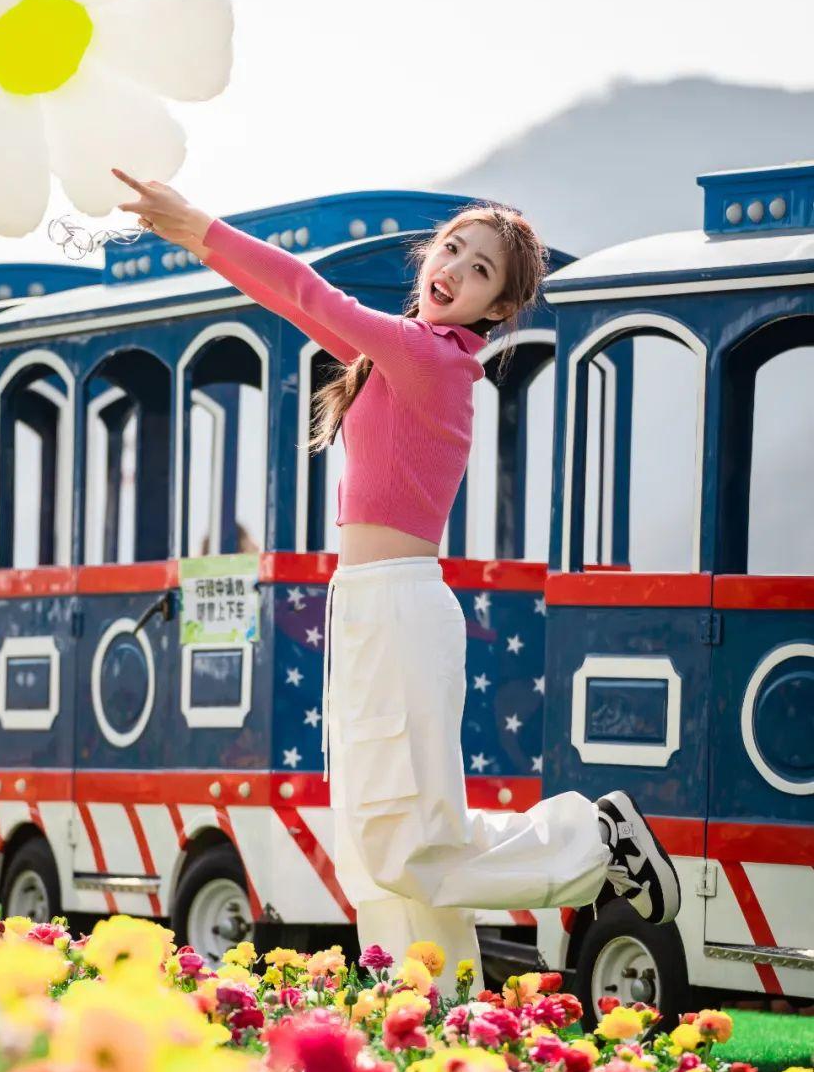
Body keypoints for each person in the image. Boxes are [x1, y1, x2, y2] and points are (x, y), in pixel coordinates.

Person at [110, 167, 681, 978]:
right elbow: (294, 304)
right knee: (374, 845)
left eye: (480, 269)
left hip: (399, 609)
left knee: (405, 843)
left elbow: (308, 294)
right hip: (369, 607)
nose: (453, 269)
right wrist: (197, 242)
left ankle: (592, 841)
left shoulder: (428, 358)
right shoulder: (401, 357)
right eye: (451, 249)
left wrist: (198, 227)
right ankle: (434, 1012)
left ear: (497, 309)